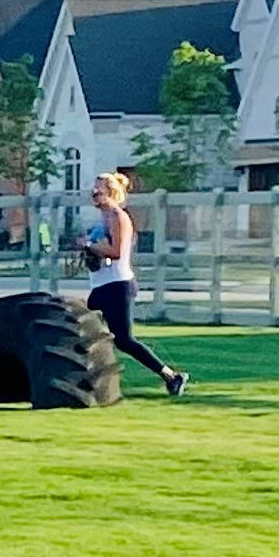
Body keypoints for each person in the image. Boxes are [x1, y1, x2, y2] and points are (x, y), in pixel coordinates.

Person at [78, 168, 187, 398]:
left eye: (99, 190)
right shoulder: (103, 219)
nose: (94, 193)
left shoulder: (118, 217)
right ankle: (91, 381)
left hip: (117, 286)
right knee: (86, 334)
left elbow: (117, 251)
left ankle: (171, 376)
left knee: (124, 340)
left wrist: (90, 247)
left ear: (111, 193)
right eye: (94, 190)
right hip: (101, 286)